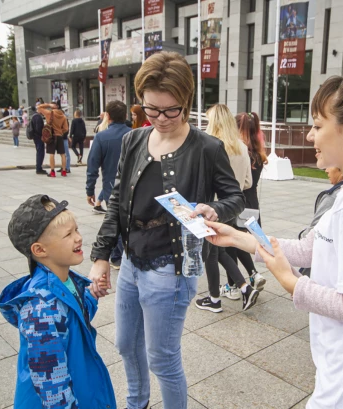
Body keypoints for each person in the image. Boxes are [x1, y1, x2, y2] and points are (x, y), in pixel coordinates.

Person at [206, 51, 343, 409]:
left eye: (318, 126)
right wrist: (240, 238)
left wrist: (291, 283)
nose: (309, 135)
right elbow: (317, 248)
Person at [88, 51, 244, 409]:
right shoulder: (133, 140)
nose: (160, 118)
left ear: (186, 102)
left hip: (172, 266)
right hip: (131, 260)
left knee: (162, 357)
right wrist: (100, 256)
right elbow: (116, 202)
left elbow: (235, 197)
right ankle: (136, 403)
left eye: (170, 110)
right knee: (126, 344)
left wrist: (215, 208)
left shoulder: (207, 147)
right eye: (150, 109)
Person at [0, 194, 116, 409]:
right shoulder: (40, 309)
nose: (78, 238)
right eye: (68, 234)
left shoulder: (67, 281)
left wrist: (91, 294)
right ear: (40, 250)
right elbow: (51, 386)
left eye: (77, 229)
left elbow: (75, 318)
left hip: (81, 387)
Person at [195, 104, 258, 313]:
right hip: (234, 205)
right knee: (220, 250)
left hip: (214, 206)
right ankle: (243, 286)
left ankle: (215, 299)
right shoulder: (241, 146)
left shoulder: (210, 145)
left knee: (213, 253)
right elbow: (248, 182)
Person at [221, 112, 268, 300]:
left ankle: (232, 285)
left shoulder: (236, 150)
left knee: (230, 243)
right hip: (252, 203)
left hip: (237, 202)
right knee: (240, 241)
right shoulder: (257, 153)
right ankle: (253, 274)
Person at [86, 100, 131, 271]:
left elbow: (92, 165)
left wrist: (89, 190)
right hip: (134, 186)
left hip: (111, 186)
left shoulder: (101, 136)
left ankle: (118, 257)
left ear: (108, 116)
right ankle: (120, 255)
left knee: (115, 221)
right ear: (125, 115)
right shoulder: (135, 134)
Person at [298, 167, 343, 277]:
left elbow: (314, 233)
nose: (326, 170)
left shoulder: (333, 197)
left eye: (329, 165)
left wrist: (302, 235)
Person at [37, 103, 69, 177]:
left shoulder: (49, 113)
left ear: (53, 107)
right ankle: (64, 171)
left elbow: (39, 107)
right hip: (60, 136)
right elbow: (66, 129)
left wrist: (48, 105)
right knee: (62, 154)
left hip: (51, 136)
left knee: (52, 154)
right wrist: (60, 131)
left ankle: (52, 171)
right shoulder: (63, 116)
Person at [29, 105, 46, 175]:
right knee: (40, 152)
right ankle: (39, 168)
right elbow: (38, 128)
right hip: (39, 137)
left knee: (39, 152)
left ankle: (39, 167)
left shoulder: (34, 116)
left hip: (35, 137)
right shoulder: (38, 117)